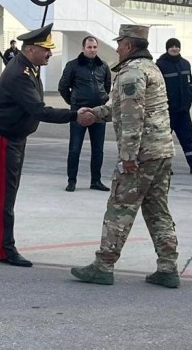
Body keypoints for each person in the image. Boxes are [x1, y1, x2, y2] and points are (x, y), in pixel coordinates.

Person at [71, 24, 179, 288]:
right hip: (161, 152)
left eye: (120, 44)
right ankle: (168, 267)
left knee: (119, 208)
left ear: (129, 46)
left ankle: (103, 265)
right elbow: (121, 108)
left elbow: (132, 118)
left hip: (141, 155)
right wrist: (95, 113)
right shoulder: (151, 68)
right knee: (157, 211)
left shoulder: (132, 73)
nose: (117, 48)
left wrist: (128, 157)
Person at [0, 23, 91, 267]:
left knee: (8, 191)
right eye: (46, 49)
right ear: (30, 50)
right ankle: (5, 249)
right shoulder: (20, 74)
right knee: (3, 195)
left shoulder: (29, 67)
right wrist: (75, 115)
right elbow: (39, 110)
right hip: (5, 138)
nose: (50, 53)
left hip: (16, 137)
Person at [58, 36, 112, 192]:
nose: (92, 50)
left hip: (99, 113)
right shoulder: (72, 66)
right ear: (83, 48)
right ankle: (72, 181)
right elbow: (63, 87)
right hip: (79, 112)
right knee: (75, 148)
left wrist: (101, 102)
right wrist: (74, 103)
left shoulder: (103, 66)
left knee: (98, 150)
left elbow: (107, 87)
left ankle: (96, 180)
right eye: (89, 47)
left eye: (94, 47)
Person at [156, 38, 192, 174]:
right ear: (167, 48)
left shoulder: (185, 64)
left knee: (187, 137)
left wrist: (190, 96)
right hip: (167, 110)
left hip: (183, 110)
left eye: (177, 46)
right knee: (164, 140)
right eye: (171, 46)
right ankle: (164, 167)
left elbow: (190, 82)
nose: (174, 48)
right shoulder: (160, 65)